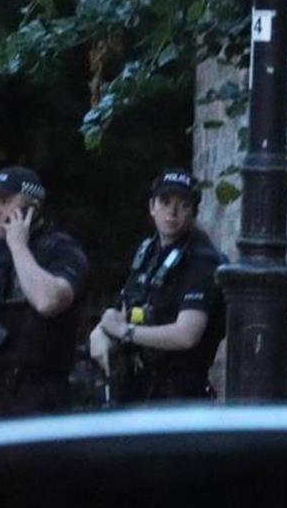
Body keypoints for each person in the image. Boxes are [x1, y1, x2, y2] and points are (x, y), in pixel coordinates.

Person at [89, 168, 228, 402]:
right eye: (165, 202)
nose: (172, 212)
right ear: (152, 207)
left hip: (180, 393)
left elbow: (187, 335)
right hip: (137, 387)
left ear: (193, 212)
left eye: (183, 204)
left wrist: (125, 333)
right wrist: (101, 330)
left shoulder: (202, 260)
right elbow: (126, 306)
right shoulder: (148, 251)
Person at [0, 166, 89, 418]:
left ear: (33, 206)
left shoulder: (60, 249)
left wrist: (19, 247)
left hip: (40, 393)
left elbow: (48, 301)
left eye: (4, 201)